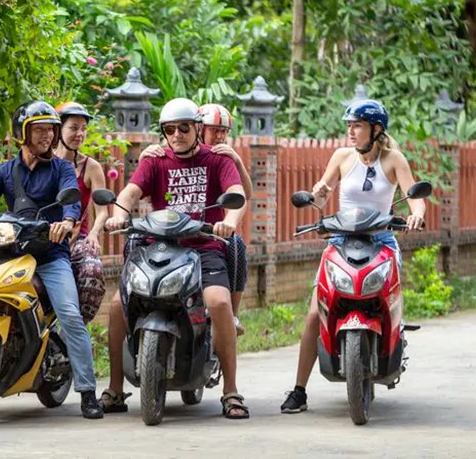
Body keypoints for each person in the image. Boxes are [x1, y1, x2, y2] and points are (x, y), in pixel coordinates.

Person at [0, 100, 104, 420]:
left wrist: (68, 222)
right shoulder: (7, 170)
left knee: (70, 314)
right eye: (39, 129)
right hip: (9, 251)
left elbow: (71, 198)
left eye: (51, 130)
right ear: (23, 133)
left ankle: (87, 392)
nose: (47, 135)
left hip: (49, 255)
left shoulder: (61, 169)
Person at [101, 98, 250, 418]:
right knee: (117, 305)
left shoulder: (217, 160)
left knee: (219, 303)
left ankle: (231, 391)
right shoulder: (154, 160)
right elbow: (129, 193)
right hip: (159, 247)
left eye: (185, 127)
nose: (178, 134)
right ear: (163, 132)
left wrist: (230, 222)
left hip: (204, 248)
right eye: (170, 129)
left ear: (198, 129)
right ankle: (115, 389)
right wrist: (119, 214)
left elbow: (237, 197)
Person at [280, 99, 426, 414]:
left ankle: (392, 342)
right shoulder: (342, 157)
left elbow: (414, 196)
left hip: (382, 240)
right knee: (313, 314)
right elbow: (323, 192)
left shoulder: (393, 160)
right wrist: (316, 194)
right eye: (349, 125)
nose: (351, 131)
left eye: (357, 125)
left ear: (375, 129)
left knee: (390, 297)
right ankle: (299, 390)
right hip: (342, 239)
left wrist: (416, 214)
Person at [139, 103, 252, 335]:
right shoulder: (168, 150)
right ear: (200, 129)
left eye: (224, 131)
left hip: (208, 235)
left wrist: (238, 162)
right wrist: (145, 156)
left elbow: (245, 195)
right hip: (170, 237)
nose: (219, 136)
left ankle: (233, 314)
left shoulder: (222, 157)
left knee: (236, 246)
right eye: (214, 130)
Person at [54, 101, 108, 324]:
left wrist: (94, 233)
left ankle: (74, 330)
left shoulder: (91, 167)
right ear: (58, 129)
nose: (80, 134)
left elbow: (102, 211)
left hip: (78, 238)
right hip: (43, 236)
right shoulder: (45, 164)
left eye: (83, 128)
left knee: (92, 271)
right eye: (74, 127)